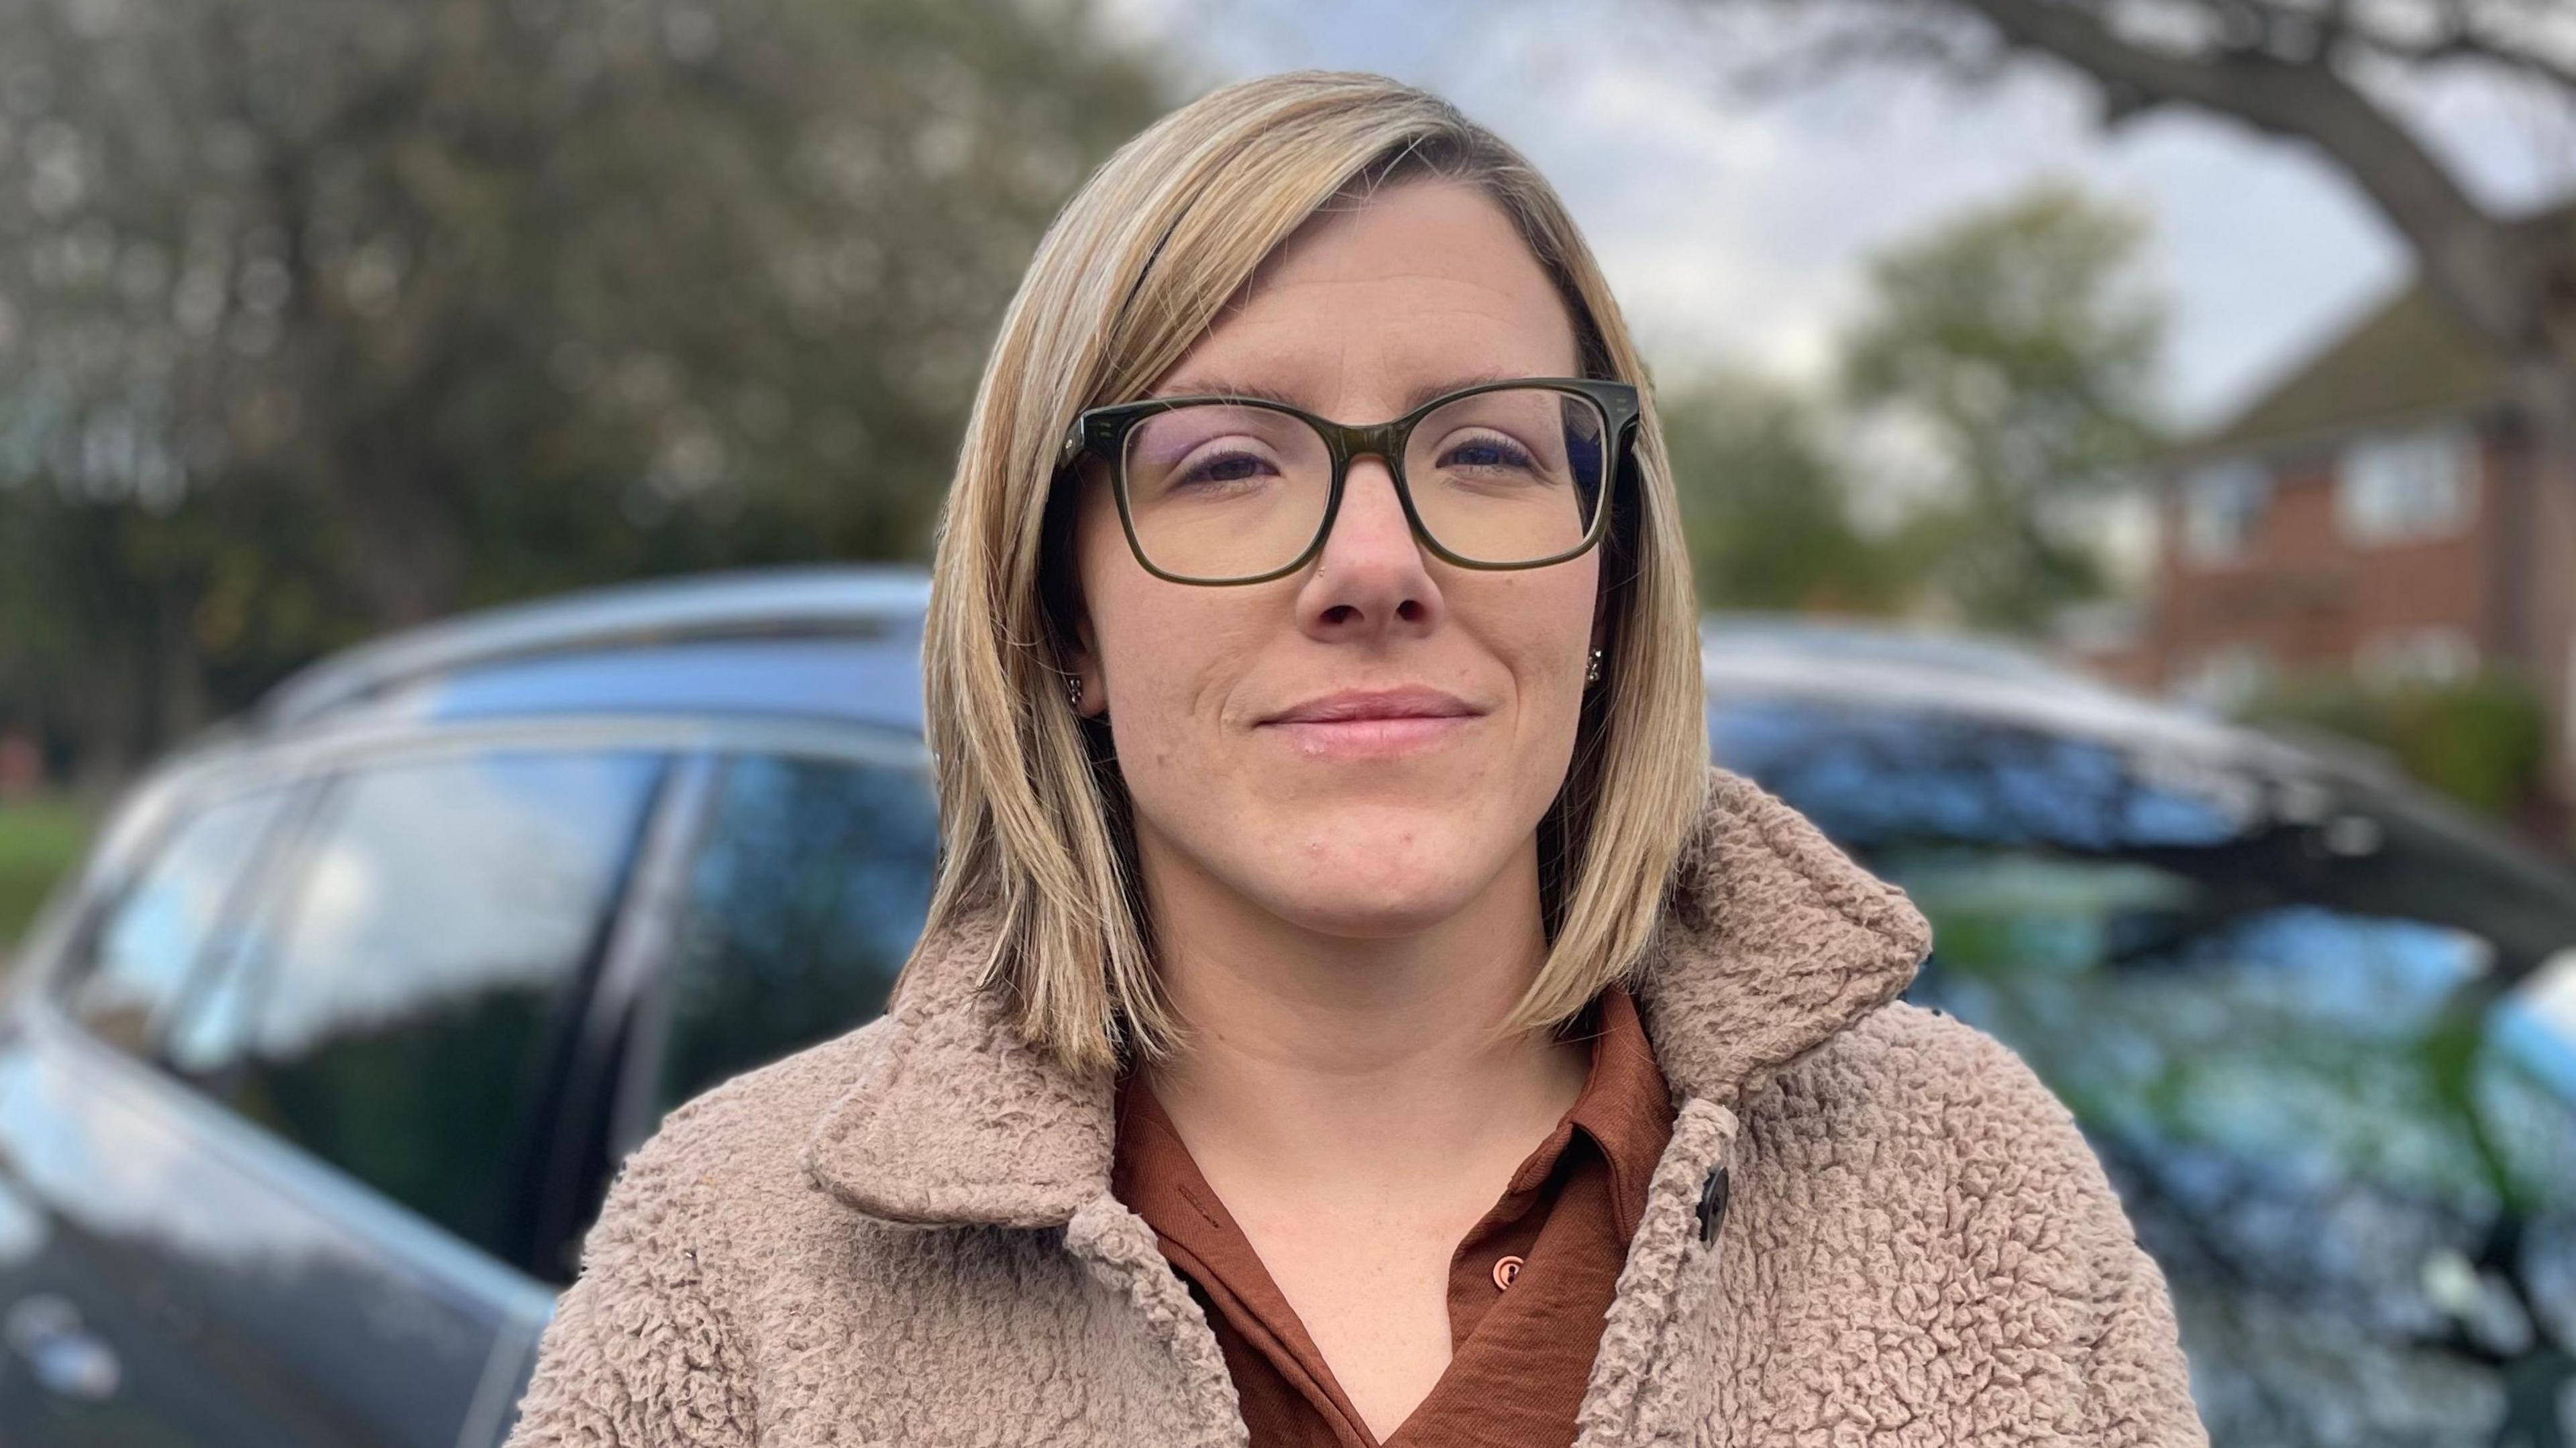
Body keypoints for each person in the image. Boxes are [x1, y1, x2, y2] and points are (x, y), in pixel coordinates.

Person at [502, 70, 2208, 1448]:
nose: (1376, 564)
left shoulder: (1973, 1190)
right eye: (1229, 463)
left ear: (1609, 571)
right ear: (1061, 622)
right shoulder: (737, 1263)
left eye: (1482, 447)